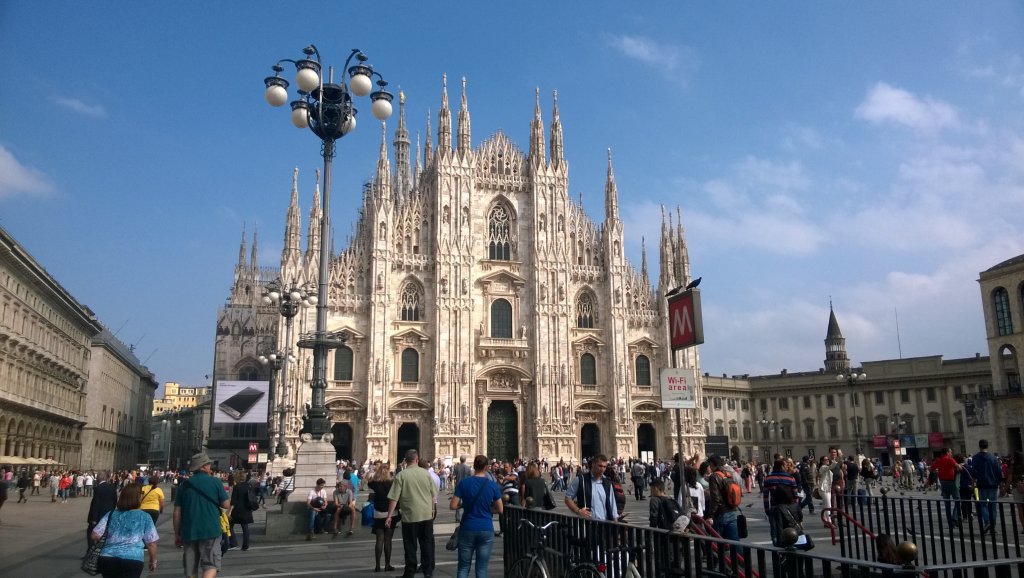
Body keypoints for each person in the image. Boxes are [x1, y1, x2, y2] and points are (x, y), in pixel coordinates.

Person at [173, 453, 230, 578]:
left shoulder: (184, 485)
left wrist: (177, 534)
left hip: (189, 531)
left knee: (190, 569)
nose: (210, 466)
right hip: (211, 530)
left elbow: (176, 512)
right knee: (211, 565)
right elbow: (226, 505)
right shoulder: (215, 482)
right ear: (203, 467)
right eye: (208, 464)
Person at [386, 449, 438, 578]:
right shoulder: (426, 474)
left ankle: (409, 573)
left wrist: (389, 516)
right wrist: (431, 508)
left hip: (410, 516)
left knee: (410, 545)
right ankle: (428, 571)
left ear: (405, 461)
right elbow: (434, 493)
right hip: (426, 515)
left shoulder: (401, 476)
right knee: (426, 544)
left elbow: (394, 498)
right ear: (416, 459)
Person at [450, 454, 503, 578]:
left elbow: (453, 505)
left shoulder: (464, 483)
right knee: (482, 568)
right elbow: (500, 509)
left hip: (467, 528)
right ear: (486, 467)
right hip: (486, 529)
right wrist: (488, 509)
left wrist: (463, 505)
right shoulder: (492, 485)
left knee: (463, 567)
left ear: (473, 466)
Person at [90, 483, 159, 577]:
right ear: (138, 498)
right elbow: (151, 543)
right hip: (132, 560)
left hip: (108, 558)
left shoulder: (111, 514)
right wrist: (153, 560)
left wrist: (110, 542)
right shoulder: (144, 517)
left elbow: (94, 534)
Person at [564, 453, 618, 521]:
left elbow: (613, 506)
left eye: (604, 467)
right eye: (600, 466)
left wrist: (616, 524)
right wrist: (578, 511)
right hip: (587, 525)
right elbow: (567, 498)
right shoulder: (581, 480)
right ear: (593, 464)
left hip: (604, 525)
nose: (602, 469)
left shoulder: (607, 483)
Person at [762, 458, 799, 545]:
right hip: (788, 508)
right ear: (782, 466)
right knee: (789, 530)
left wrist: (767, 510)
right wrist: (795, 509)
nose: (787, 467)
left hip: (774, 507)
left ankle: (776, 547)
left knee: (775, 531)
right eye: (786, 465)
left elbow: (766, 497)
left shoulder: (768, 478)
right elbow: (795, 496)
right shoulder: (790, 478)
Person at [368, 464, 398, 572]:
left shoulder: (374, 483)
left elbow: (368, 480)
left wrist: (374, 472)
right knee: (388, 539)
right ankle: (387, 564)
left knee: (379, 539)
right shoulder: (392, 483)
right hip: (391, 513)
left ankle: (377, 565)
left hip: (378, 513)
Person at [969, 439, 1002, 534]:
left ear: (979, 446)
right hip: (993, 485)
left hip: (981, 485)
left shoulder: (975, 458)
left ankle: (987, 522)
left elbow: (974, 473)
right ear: (987, 446)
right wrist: (1001, 485)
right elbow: (998, 473)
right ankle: (992, 527)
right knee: (993, 507)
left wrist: (973, 484)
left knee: (982, 504)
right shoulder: (993, 458)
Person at [87, 471, 119, 555]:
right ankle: (103, 551)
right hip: (108, 514)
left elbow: (96, 503)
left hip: (97, 515)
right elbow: (115, 501)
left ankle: (90, 551)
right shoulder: (112, 487)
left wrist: (94, 518)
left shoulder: (98, 488)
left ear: (98, 478)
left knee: (90, 533)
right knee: (105, 534)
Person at [932, 447, 962, 527]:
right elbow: (958, 467)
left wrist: (939, 471)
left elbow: (932, 468)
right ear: (947, 452)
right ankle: (955, 517)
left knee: (947, 504)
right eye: (950, 452)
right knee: (958, 500)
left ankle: (950, 523)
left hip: (943, 483)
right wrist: (960, 466)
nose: (951, 453)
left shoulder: (939, 460)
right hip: (951, 483)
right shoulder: (950, 459)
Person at [228, 475, 258, 550]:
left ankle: (233, 543)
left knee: (229, 525)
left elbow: (233, 501)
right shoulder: (249, 486)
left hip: (237, 510)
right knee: (245, 527)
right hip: (247, 509)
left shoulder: (237, 487)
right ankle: (245, 546)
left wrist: (229, 511)